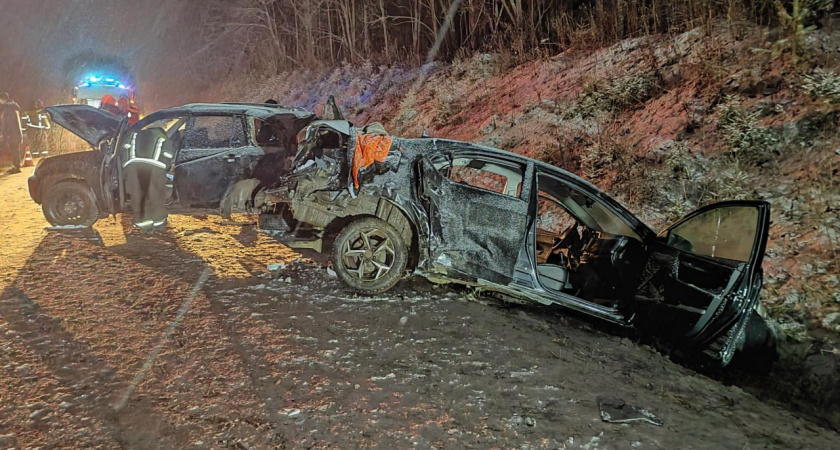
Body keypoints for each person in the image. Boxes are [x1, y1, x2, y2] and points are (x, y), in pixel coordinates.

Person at [122, 127, 175, 231]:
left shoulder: (134, 134)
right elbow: (169, 154)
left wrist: (125, 165)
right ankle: (159, 223)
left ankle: (144, 225)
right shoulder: (162, 137)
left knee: (138, 196)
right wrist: (166, 167)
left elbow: (124, 147)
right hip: (155, 167)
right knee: (155, 196)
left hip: (133, 166)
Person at [0, 92, 23, 174]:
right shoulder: (14, 107)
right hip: (16, 132)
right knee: (15, 149)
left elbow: (6, 123)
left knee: (14, 150)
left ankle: (16, 167)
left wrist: (4, 134)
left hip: (11, 133)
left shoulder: (7, 108)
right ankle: (16, 166)